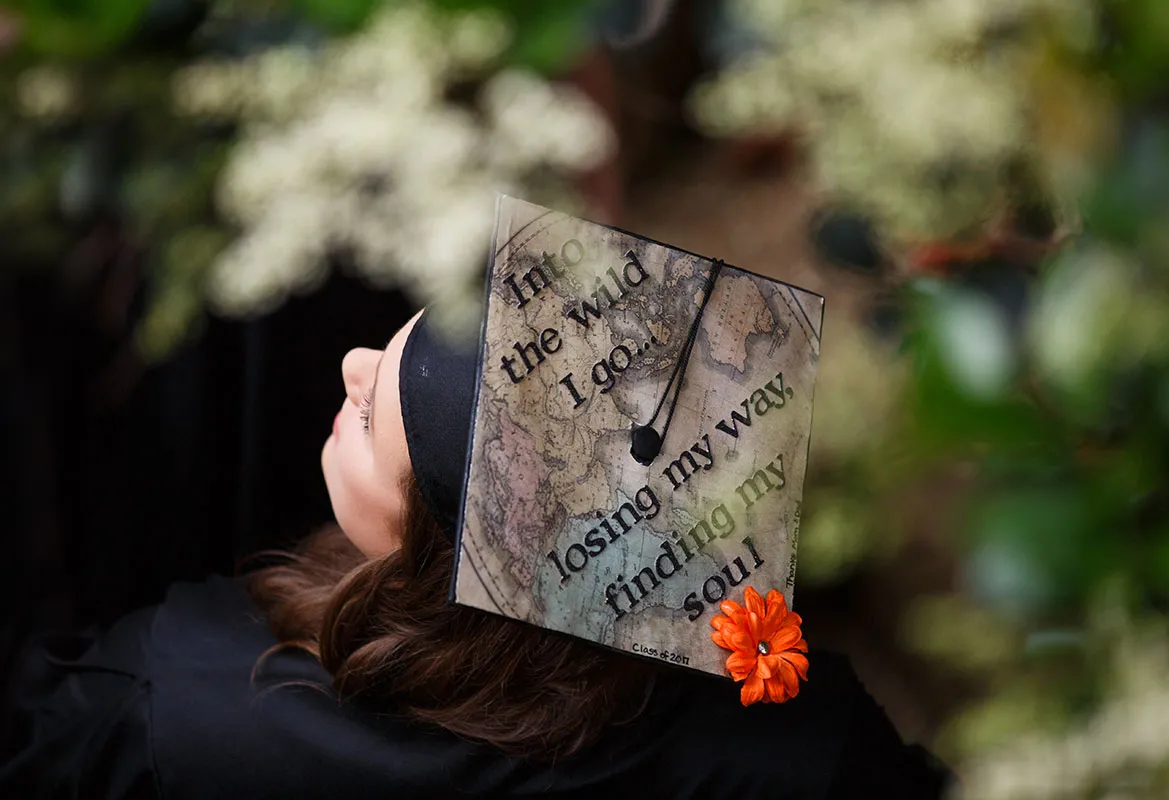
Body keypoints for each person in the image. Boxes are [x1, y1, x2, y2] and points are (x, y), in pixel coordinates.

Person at [1, 308, 954, 798]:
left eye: (370, 420)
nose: (351, 367)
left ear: (433, 557)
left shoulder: (164, 710)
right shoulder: (807, 750)